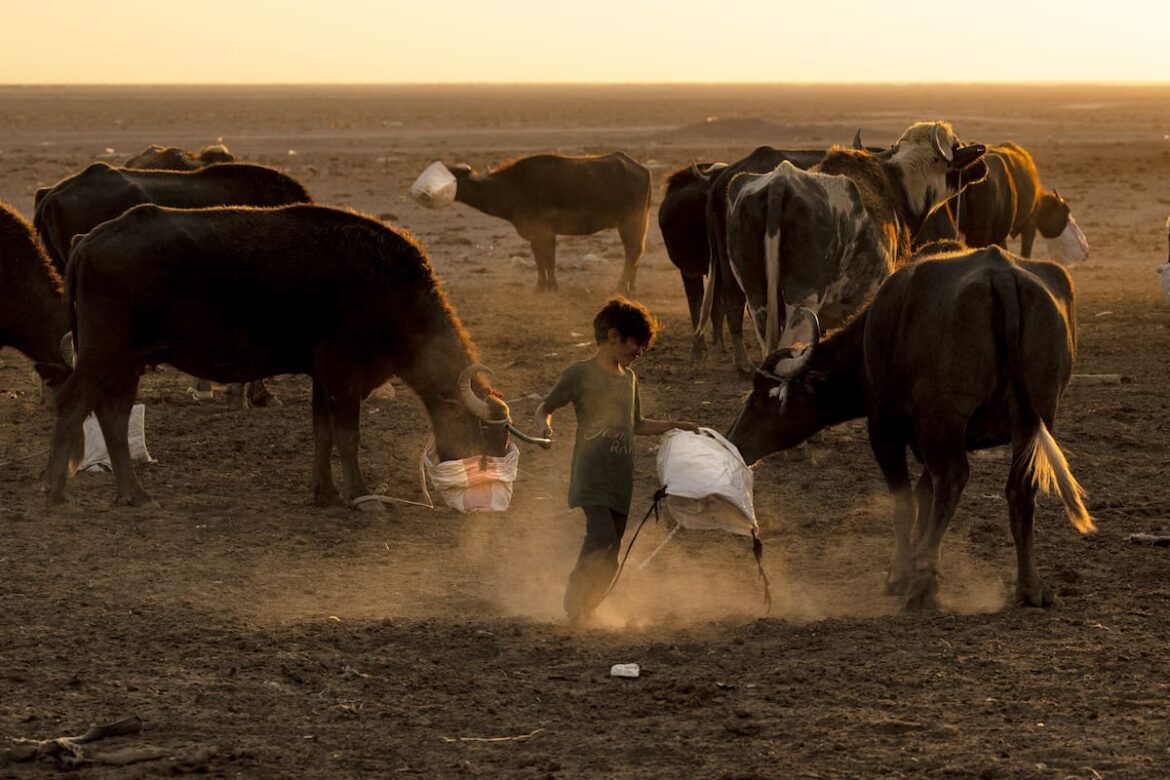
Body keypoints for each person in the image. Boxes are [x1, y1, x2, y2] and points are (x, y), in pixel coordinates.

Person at [533, 296, 700, 623]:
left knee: (612, 553)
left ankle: (588, 608)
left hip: (620, 479)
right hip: (591, 475)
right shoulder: (579, 374)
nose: (637, 356)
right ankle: (574, 601)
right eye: (634, 347)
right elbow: (545, 408)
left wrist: (675, 425)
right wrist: (545, 429)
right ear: (612, 337)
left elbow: (635, 425)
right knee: (602, 537)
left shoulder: (630, 380)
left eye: (640, 352)